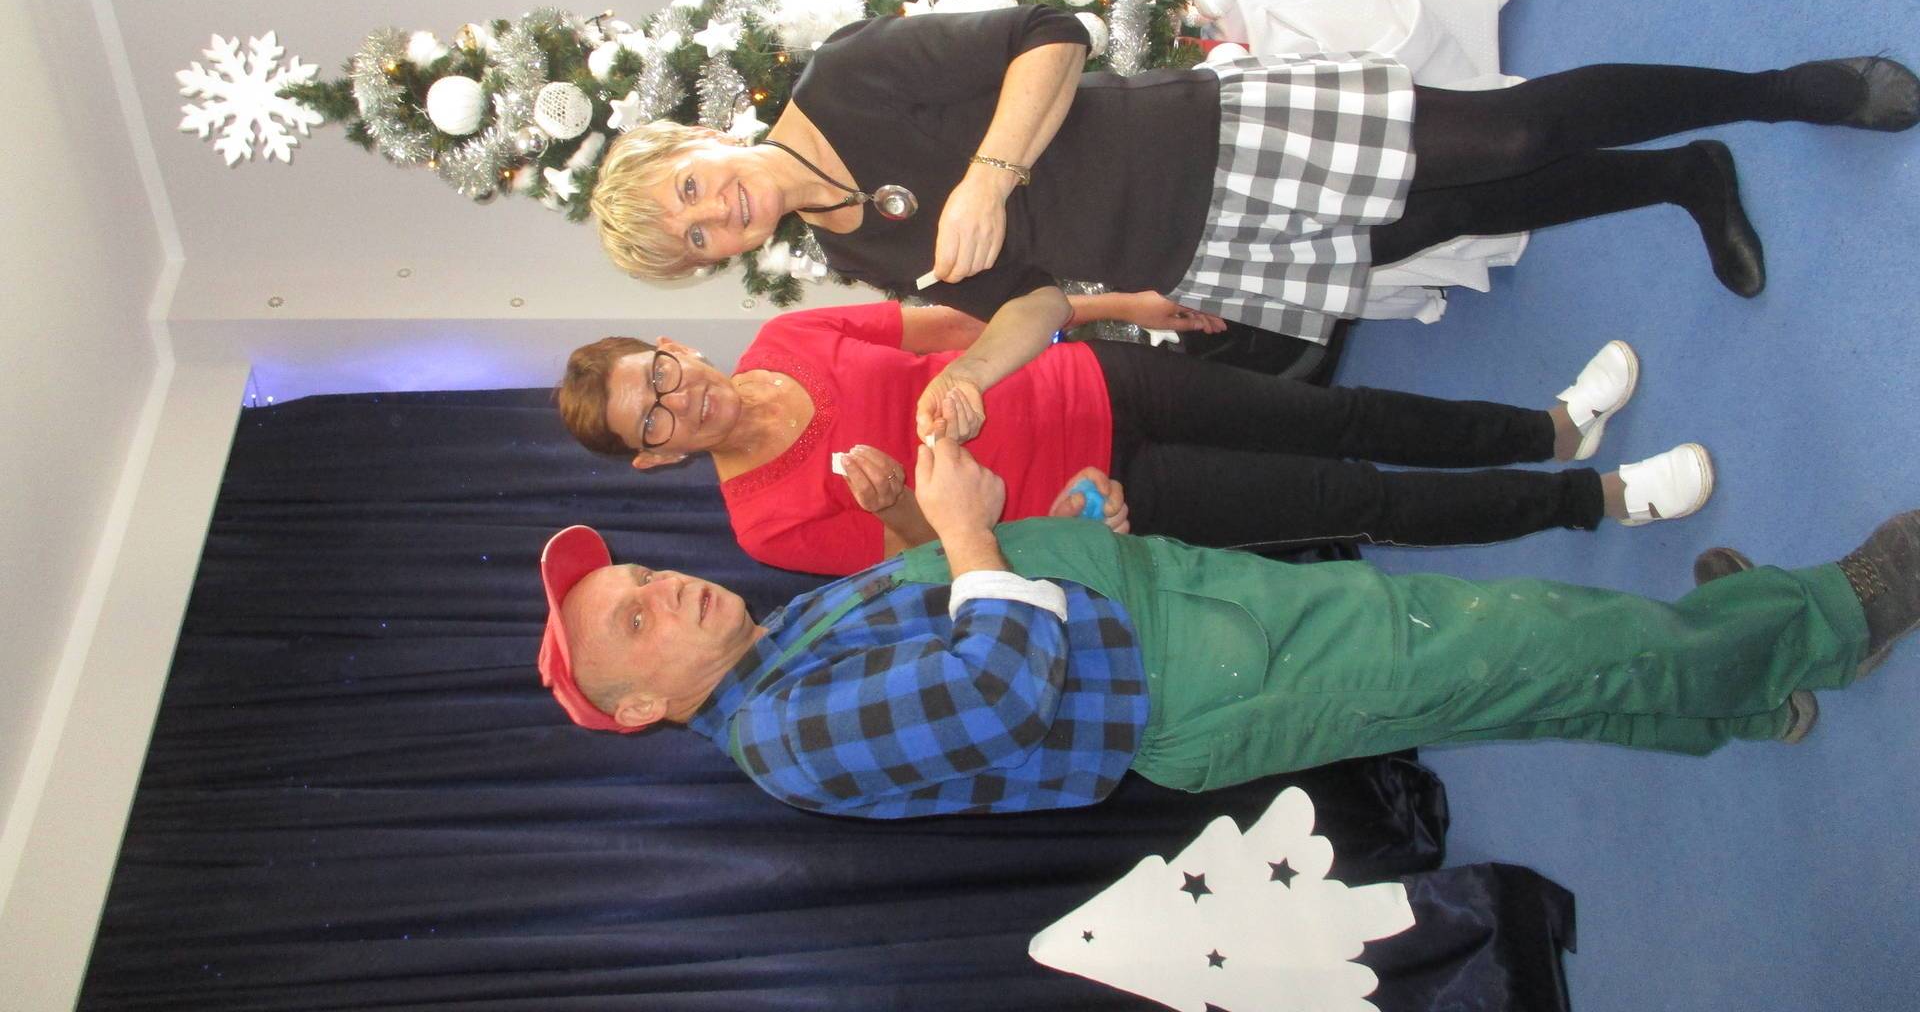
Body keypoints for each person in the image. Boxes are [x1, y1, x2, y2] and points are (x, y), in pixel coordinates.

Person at [588, 1, 1920, 446]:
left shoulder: (847, 79)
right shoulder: (850, 251)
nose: (716, 214)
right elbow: (1035, 297)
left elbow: (1051, 36)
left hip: (1210, 140)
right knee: (1458, 214)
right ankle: (1683, 178)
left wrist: (989, 171)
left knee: (1510, 134)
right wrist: (977, 377)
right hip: (1205, 252)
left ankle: (1787, 91)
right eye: (696, 240)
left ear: (698, 142)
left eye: (689, 189)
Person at [536, 437, 1918, 820]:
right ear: (644, 705)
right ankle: (1836, 616)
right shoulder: (780, 739)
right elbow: (998, 692)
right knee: (1520, 637)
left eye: (641, 575)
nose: (667, 589)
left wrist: (1023, 528)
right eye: (635, 623)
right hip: (1196, 679)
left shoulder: (780, 647)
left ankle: (1739, 681)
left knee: (1506, 675)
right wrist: (964, 534)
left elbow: (966, 616)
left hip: (1174, 618)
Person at [555, 304, 1708, 575]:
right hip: (1105, 500)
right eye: (649, 418)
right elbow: (937, 562)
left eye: (660, 374)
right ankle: (1596, 500)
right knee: (1356, 497)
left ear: (674, 346)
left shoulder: (789, 336)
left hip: (1100, 379)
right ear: (653, 456)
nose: (675, 401)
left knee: (1340, 413)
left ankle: (1553, 427)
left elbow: (963, 326)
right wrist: (894, 501)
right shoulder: (764, 524)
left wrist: (1113, 311)